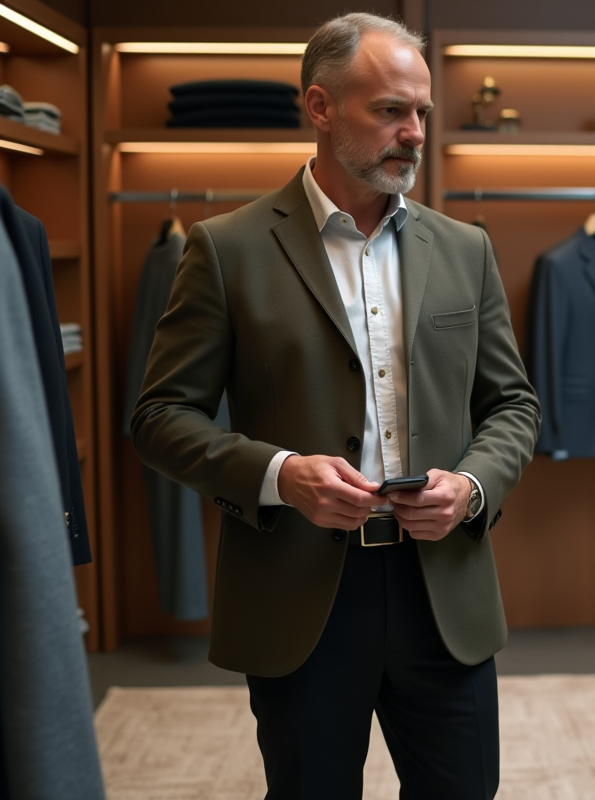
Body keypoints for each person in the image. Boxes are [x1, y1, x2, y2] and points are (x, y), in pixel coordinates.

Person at [132, 13, 539, 798]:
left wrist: (473, 485)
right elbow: (158, 418)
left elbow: (513, 405)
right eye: (390, 110)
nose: (414, 132)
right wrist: (281, 474)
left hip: (441, 589)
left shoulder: (467, 249)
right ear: (320, 107)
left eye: (422, 111)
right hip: (298, 597)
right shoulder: (226, 247)